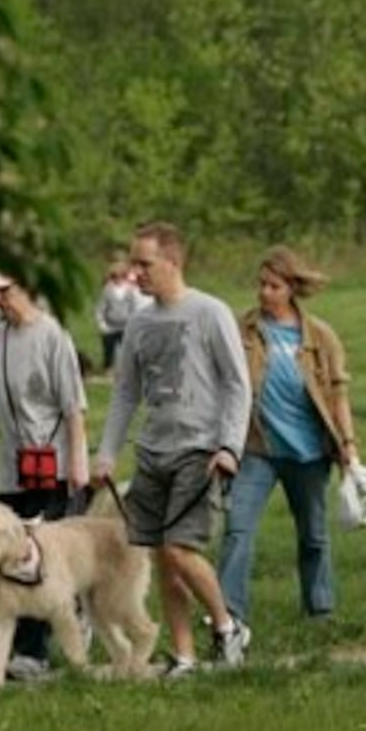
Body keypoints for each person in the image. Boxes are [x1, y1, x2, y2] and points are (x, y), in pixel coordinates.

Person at [92, 221, 252, 677]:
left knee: (181, 549)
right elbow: (126, 394)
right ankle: (183, 655)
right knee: (162, 557)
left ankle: (227, 627)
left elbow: (238, 385)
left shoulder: (210, 312)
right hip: (153, 451)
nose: (133, 272)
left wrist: (230, 448)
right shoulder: (139, 322)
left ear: (172, 261)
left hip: (200, 451)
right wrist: (106, 453)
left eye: (143, 263)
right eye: (132, 263)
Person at [0, 270, 91, 680]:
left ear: (26, 287)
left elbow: (73, 407)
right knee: (9, 556)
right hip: (12, 469)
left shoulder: (52, 336)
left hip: (53, 467)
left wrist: (77, 460)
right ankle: (28, 649)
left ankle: (38, 648)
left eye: (4, 292)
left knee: (42, 557)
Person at [217, 246, 360, 626]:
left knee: (313, 535)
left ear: (291, 288)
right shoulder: (242, 330)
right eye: (261, 284)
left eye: (274, 286)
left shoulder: (320, 337)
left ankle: (320, 610)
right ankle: (229, 617)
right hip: (256, 449)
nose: (264, 292)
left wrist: (348, 443)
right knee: (237, 531)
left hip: (309, 452)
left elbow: (338, 393)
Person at [93, 253, 147, 374]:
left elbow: (134, 307)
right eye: (115, 276)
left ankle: (132, 368)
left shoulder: (130, 290)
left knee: (130, 348)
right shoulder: (107, 290)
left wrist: (133, 322)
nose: (118, 278)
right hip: (110, 326)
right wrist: (102, 324)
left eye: (121, 276)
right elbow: (100, 308)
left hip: (126, 325)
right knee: (108, 348)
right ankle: (108, 368)